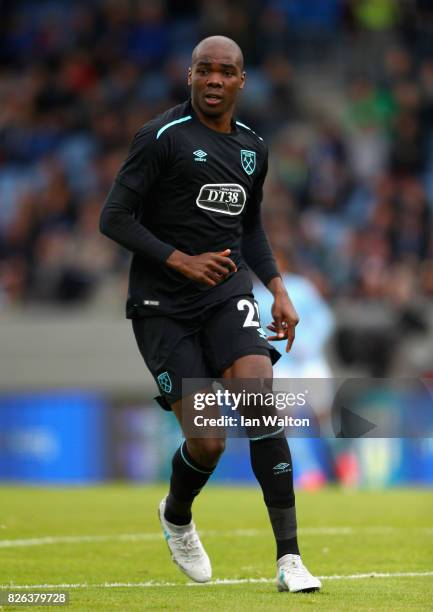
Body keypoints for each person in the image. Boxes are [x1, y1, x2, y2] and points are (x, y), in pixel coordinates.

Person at [100, 35, 321, 594]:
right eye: (205, 71)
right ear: (189, 76)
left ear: (242, 80)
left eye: (226, 72)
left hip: (226, 294)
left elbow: (249, 228)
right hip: (162, 306)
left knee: (257, 394)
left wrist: (278, 288)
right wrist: (179, 260)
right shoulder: (160, 138)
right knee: (209, 440)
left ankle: (290, 558)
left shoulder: (253, 149)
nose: (215, 80)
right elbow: (114, 217)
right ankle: (177, 515)